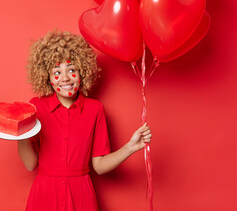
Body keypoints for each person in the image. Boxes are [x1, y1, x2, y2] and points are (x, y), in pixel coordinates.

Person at [18, 30, 152, 211]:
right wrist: (19, 131)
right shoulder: (35, 108)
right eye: (57, 72)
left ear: (82, 71)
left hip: (81, 196)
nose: (65, 78)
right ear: (47, 77)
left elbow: (99, 166)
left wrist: (130, 147)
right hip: (44, 196)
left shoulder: (94, 110)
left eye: (71, 70)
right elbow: (30, 164)